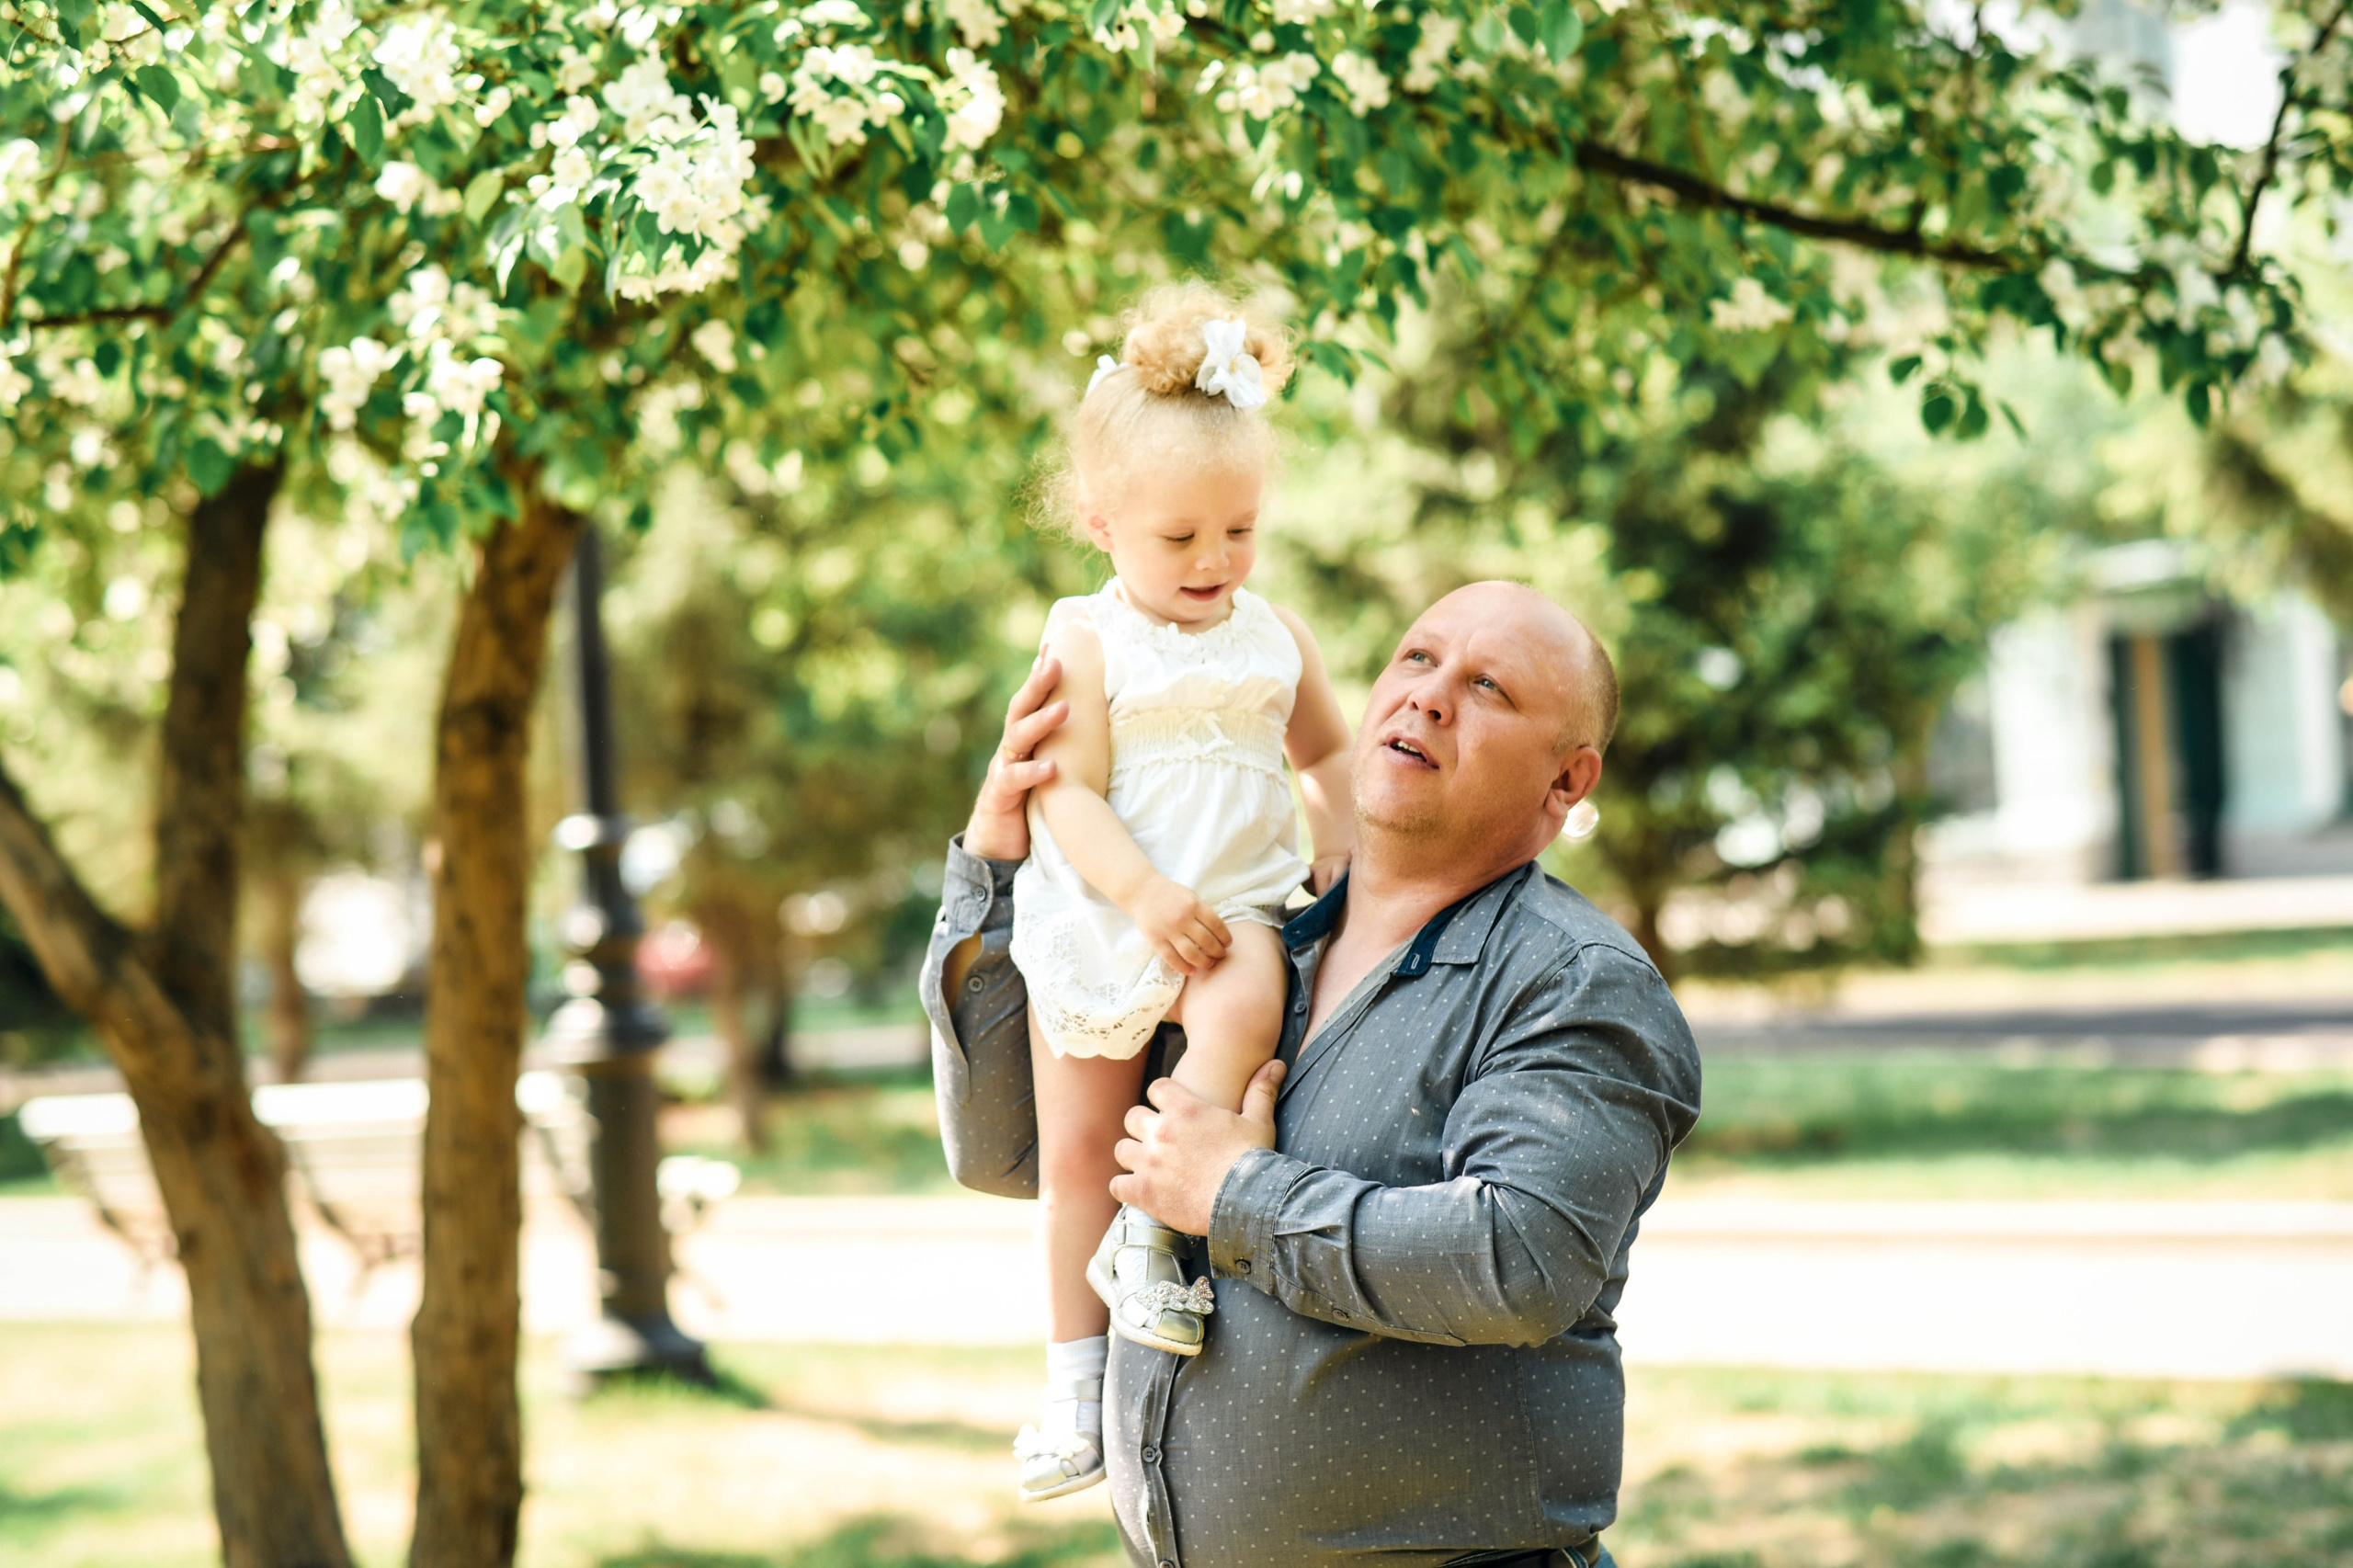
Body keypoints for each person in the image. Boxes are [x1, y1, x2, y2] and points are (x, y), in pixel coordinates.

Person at [924, 582, 1703, 1568]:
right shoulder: (1226, 946)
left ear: (1567, 781)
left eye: (1488, 687)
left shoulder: (1571, 983)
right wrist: (995, 861)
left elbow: (1519, 1260)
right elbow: (1010, 1149)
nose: (1427, 696)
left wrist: (1237, 1196)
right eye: (1416, 658)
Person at [1002, 286, 1357, 1504]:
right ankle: (1069, 1382)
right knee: (1076, 1151)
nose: (1215, 561)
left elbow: (1326, 758)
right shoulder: (1089, 642)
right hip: (1110, 913)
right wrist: (1143, 892)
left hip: (1235, 916)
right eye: (1180, 538)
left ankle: (1157, 1228)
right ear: (1103, 523)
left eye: (1239, 531)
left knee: (1246, 978)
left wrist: (1345, 848)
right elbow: (1066, 794)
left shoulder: (1275, 638)